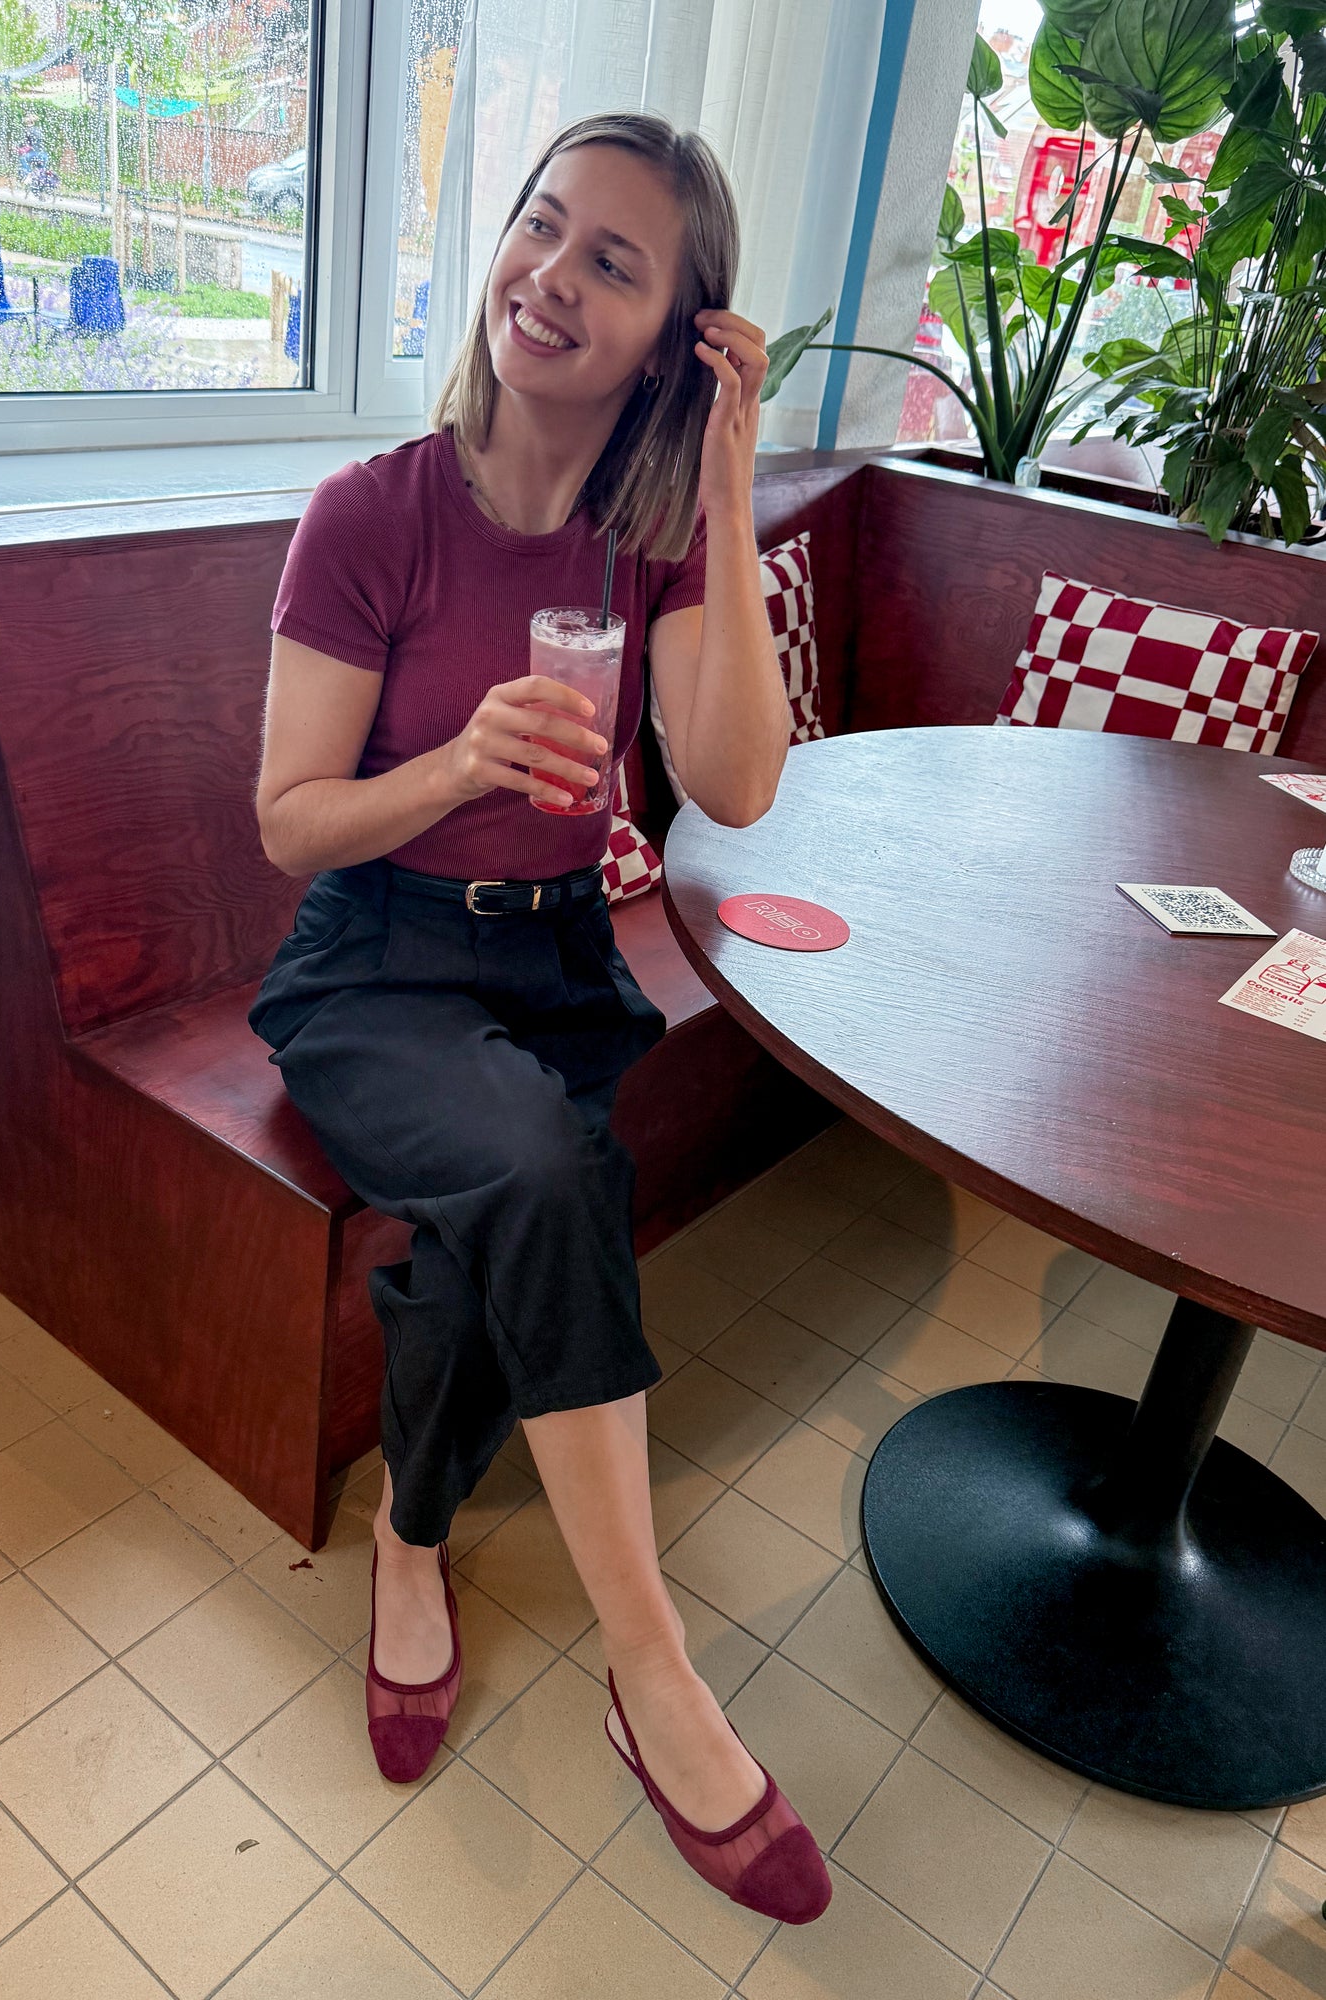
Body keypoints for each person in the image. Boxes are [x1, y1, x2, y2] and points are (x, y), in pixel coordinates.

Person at [249, 110, 830, 1926]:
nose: (551, 277)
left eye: (614, 262)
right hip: (377, 959)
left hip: (557, 960)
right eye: (543, 226)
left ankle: (410, 1540)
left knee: (492, 1228)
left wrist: (725, 486)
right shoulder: (371, 515)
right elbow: (289, 824)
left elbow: (736, 782)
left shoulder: (645, 541)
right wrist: (455, 766)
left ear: (673, 340)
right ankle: (653, 1671)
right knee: (544, 1169)